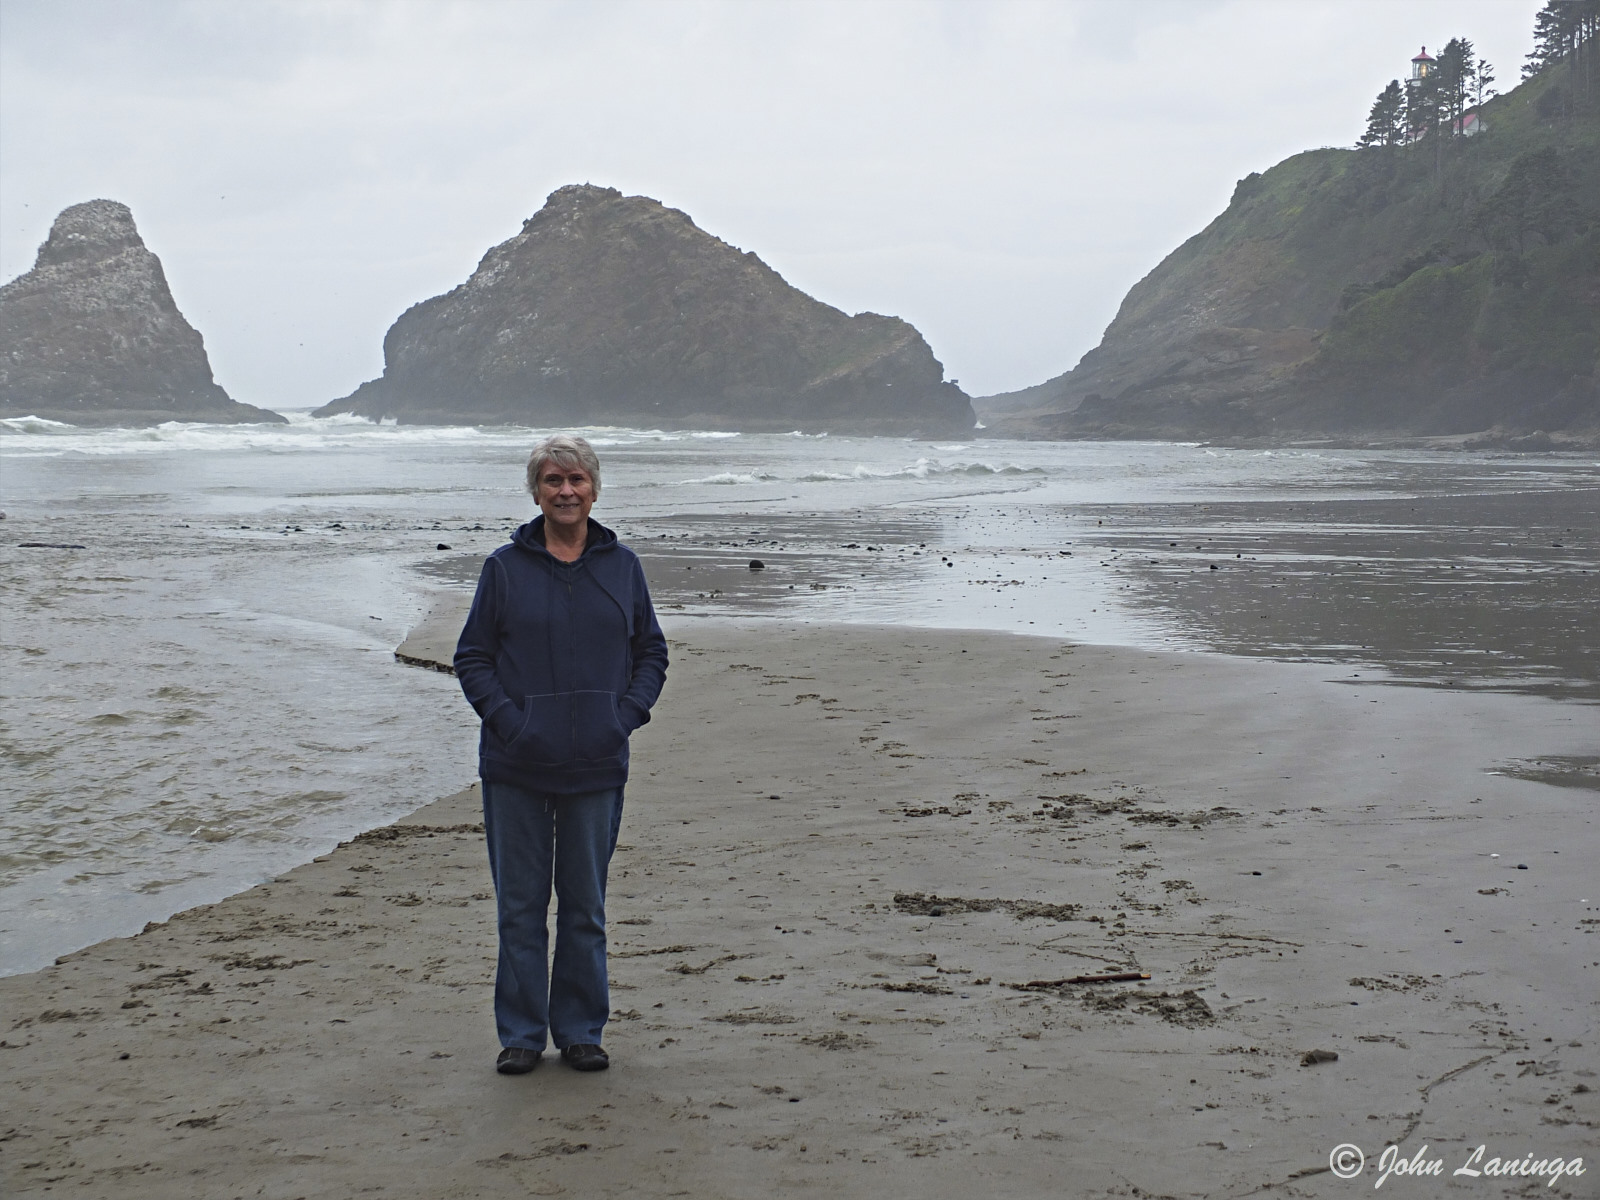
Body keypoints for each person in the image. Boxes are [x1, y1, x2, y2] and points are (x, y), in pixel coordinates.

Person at [453, 434, 668, 1075]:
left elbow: (651, 652)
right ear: (536, 492)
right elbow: (473, 657)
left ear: (594, 490)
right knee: (520, 909)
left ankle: (580, 1030)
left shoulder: (622, 567)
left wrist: (622, 719)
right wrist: (512, 725)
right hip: (516, 766)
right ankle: (521, 1034)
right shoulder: (504, 568)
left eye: (576, 480)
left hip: (597, 764)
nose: (566, 491)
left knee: (584, 908)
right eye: (553, 481)